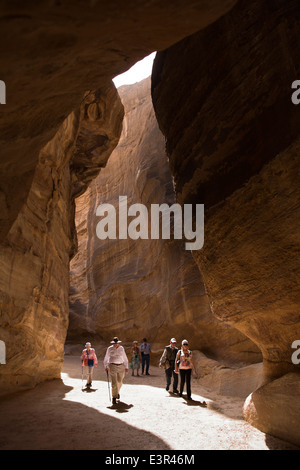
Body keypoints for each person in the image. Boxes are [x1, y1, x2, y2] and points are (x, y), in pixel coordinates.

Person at [104, 336, 129, 404]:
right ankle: (114, 397)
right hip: (112, 366)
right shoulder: (110, 348)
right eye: (115, 343)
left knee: (120, 381)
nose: (116, 344)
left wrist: (126, 367)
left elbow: (124, 357)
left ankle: (117, 392)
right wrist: (106, 366)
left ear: (118, 343)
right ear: (113, 343)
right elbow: (106, 357)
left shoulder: (121, 348)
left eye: (117, 343)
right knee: (114, 383)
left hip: (121, 366)